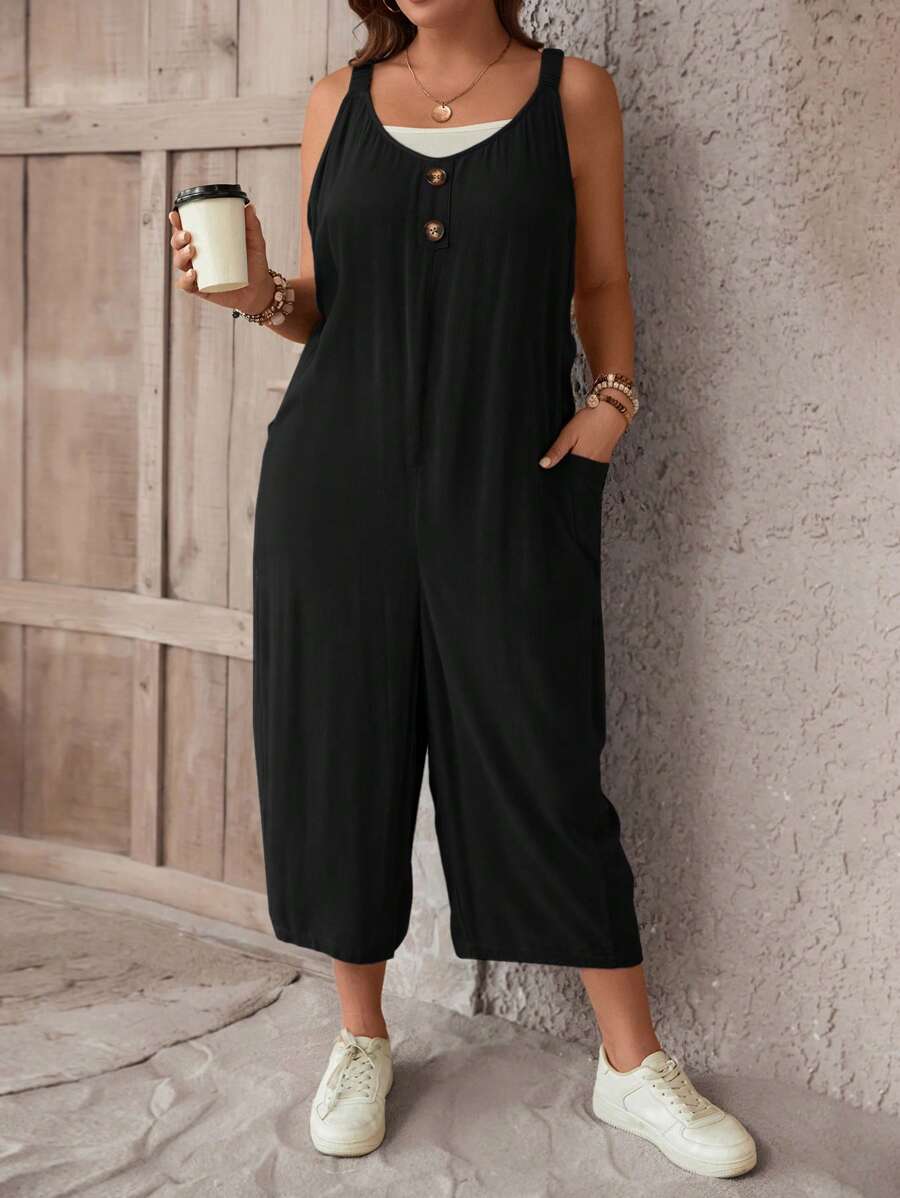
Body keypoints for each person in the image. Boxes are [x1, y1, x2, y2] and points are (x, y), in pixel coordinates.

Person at [168, 0, 757, 1180]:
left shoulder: (572, 96)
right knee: (340, 754)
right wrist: (256, 294)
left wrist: (613, 402)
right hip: (336, 485)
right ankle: (360, 1037)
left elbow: (601, 280)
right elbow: (323, 302)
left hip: (509, 480)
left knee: (545, 753)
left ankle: (632, 1062)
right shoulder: (335, 104)